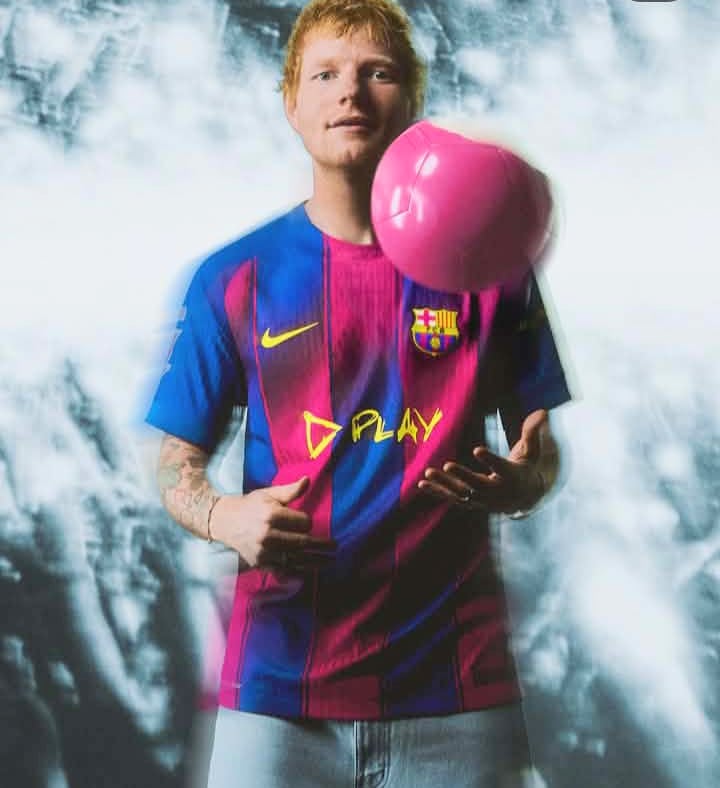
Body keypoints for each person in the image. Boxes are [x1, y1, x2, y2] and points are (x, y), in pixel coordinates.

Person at [145, 1, 571, 785]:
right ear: (291, 102)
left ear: (413, 100)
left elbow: (539, 452)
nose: (350, 91)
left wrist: (526, 482)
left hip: (457, 692)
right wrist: (221, 515)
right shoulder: (235, 277)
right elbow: (176, 461)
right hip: (279, 695)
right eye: (326, 74)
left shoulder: (493, 267)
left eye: (378, 72)